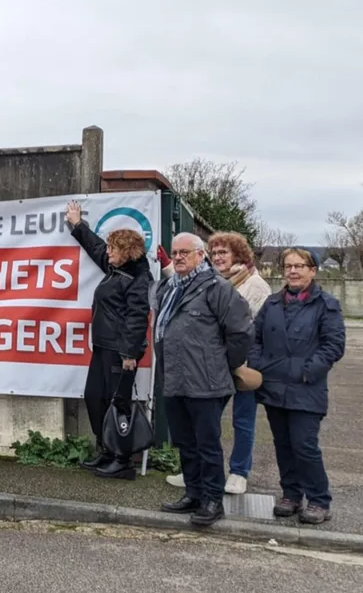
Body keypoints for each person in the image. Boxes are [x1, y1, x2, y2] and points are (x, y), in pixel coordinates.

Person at [155, 233, 253, 527]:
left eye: (185, 252)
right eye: (175, 252)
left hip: (206, 383)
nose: (179, 257)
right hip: (175, 380)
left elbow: (241, 332)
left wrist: (223, 365)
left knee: (207, 444)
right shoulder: (169, 288)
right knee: (185, 442)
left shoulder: (216, 288)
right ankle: (194, 493)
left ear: (201, 255)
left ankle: (212, 499)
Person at [166, 232, 271, 495]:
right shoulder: (207, 283)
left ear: (238, 255)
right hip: (211, 366)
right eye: (214, 253)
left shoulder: (255, 284)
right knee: (207, 423)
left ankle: (238, 472)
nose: (218, 258)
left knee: (242, 419)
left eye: (224, 252)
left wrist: (232, 359)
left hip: (243, 362)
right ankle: (197, 473)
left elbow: (248, 328)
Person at [248, 247, 346, 525]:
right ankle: (291, 494)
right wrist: (259, 366)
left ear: (312, 271)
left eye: (299, 266)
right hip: (274, 385)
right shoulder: (272, 303)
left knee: (304, 445)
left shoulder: (326, 305)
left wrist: (307, 371)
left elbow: (334, 345)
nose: (292, 271)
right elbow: (255, 338)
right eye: (288, 266)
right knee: (283, 445)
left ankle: (319, 500)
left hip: (306, 388)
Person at [65, 200, 153, 480]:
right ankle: (106, 448)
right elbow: (95, 249)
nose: (108, 252)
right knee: (95, 398)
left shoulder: (137, 277)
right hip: (102, 347)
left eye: (113, 248)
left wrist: (129, 354)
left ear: (126, 252)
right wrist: (78, 225)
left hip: (121, 352)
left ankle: (122, 459)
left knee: (119, 403)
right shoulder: (118, 269)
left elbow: (138, 317)